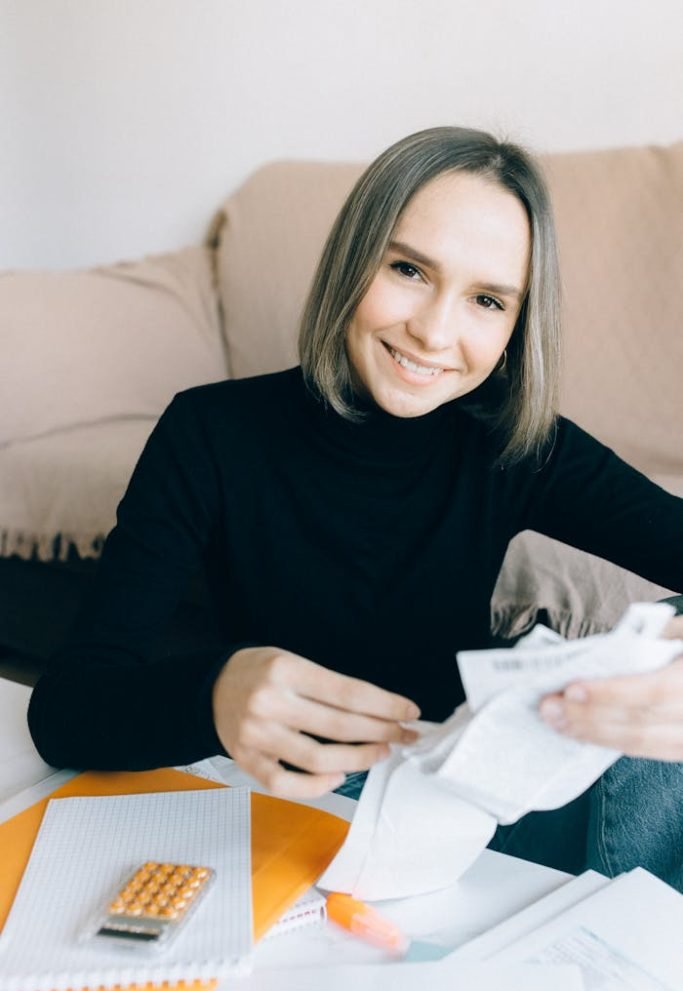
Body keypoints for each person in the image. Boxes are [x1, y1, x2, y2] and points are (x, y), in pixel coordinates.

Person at [28, 127, 683, 888]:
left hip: (475, 806)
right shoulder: (209, 431)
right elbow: (67, 710)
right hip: (301, 804)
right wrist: (216, 691)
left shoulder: (513, 442)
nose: (434, 332)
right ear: (352, 257)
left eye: (485, 300)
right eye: (408, 269)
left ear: (512, 330)